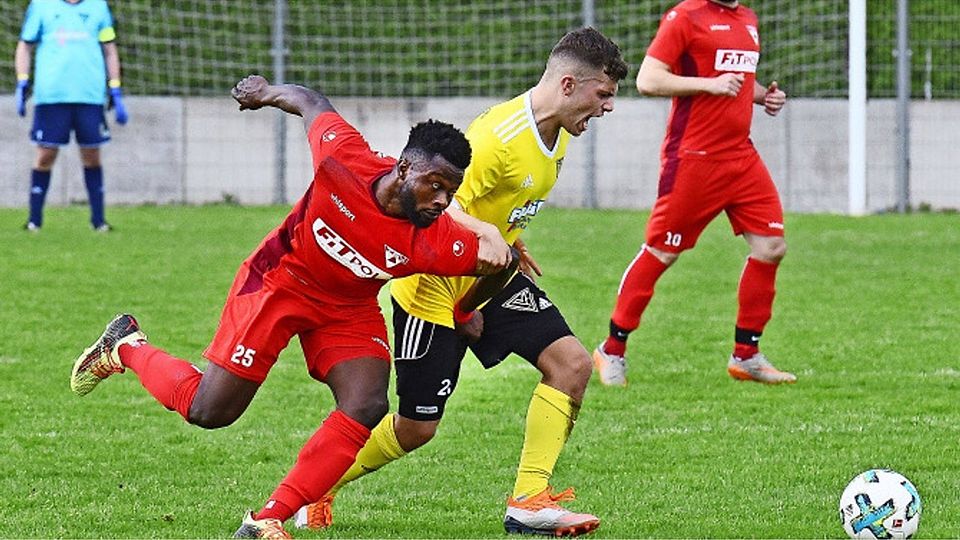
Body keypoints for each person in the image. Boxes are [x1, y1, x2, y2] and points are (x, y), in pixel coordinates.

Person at [69, 74, 517, 539]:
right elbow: (311, 101)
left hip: (347, 308)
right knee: (210, 412)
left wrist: (464, 310)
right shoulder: (343, 159)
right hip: (278, 284)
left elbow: (504, 265)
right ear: (404, 169)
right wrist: (264, 94)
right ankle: (126, 346)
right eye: (435, 185)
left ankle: (267, 518)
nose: (442, 201)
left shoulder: (438, 239)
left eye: (450, 192)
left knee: (367, 403)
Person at [295, 28, 628, 537]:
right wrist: (470, 287)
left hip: (489, 278)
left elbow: (490, 209)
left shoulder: (558, 130)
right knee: (416, 428)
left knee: (572, 364)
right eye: (602, 94)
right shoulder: (498, 138)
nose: (607, 107)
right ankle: (314, 488)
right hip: (431, 288)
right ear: (568, 84)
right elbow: (438, 210)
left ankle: (529, 500)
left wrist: (508, 237)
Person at [592, 0, 795, 387]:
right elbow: (649, 79)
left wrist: (761, 96)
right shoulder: (685, 17)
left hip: (741, 156)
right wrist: (709, 84)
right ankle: (611, 350)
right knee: (662, 252)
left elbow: (736, 81)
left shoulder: (747, 18)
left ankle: (746, 356)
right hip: (693, 159)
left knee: (771, 247)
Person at [15, 0, 128, 232]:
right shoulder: (41, 5)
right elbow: (25, 46)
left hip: (89, 95)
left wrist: (115, 87)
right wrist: (22, 81)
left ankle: (99, 221)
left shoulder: (98, 7)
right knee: (45, 155)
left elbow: (109, 48)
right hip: (51, 95)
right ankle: (34, 221)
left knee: (92, 155)